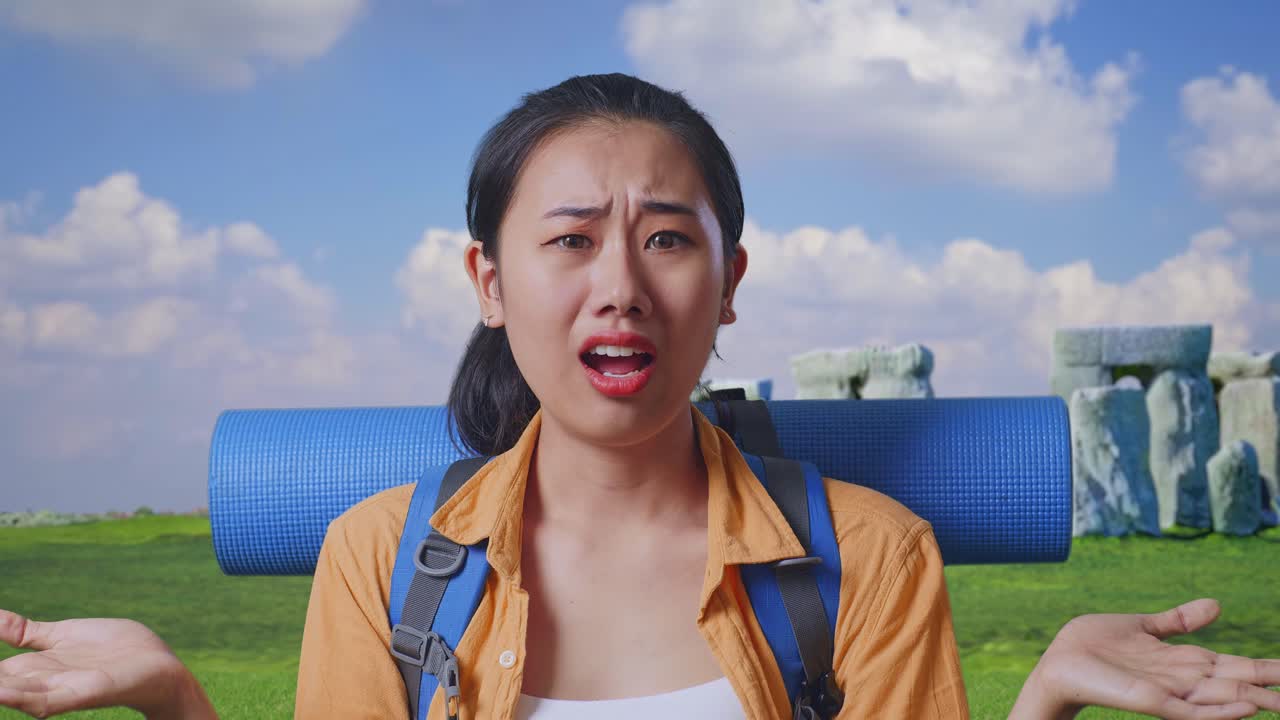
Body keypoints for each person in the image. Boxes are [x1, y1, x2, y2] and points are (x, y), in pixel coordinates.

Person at [1, 73, 1277, 720]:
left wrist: (1041, 695)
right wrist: (173, 697)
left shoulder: (875, 562)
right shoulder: (381, 561)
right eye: (568, 241)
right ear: (488, 283)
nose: (619, 284)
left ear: (728, 284)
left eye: (667, 239)